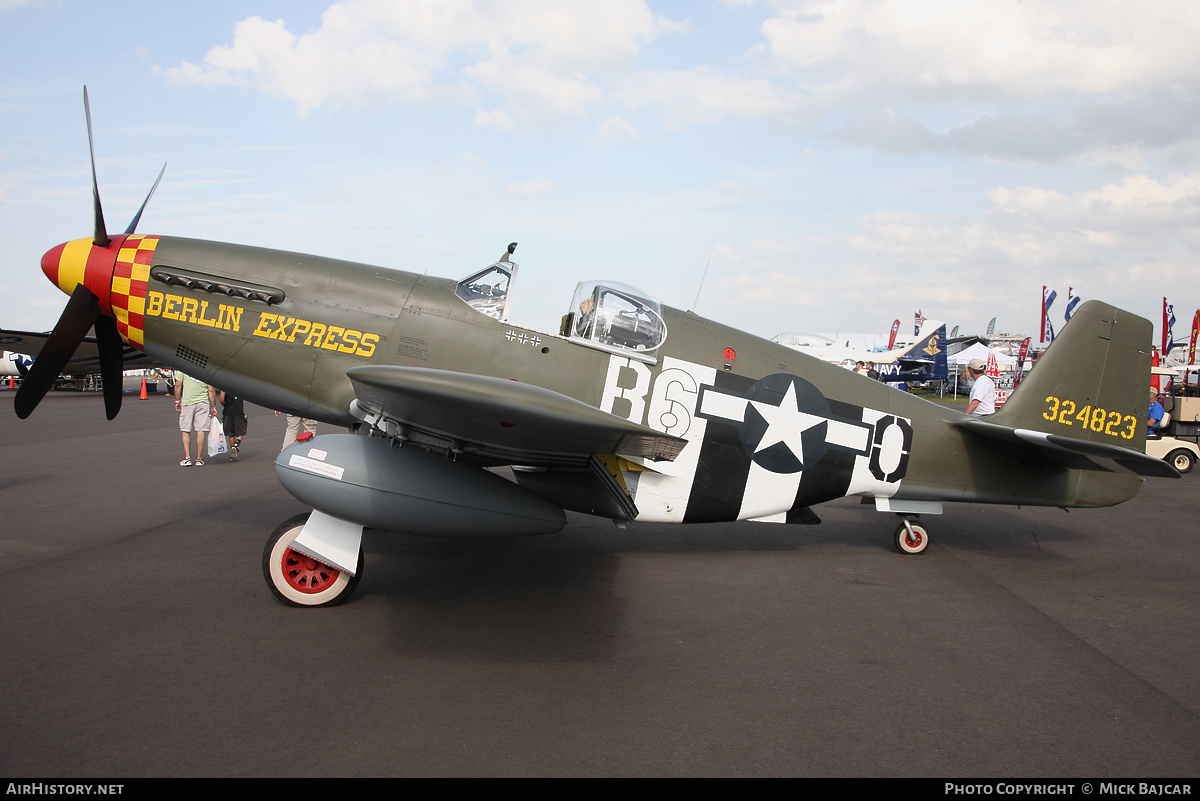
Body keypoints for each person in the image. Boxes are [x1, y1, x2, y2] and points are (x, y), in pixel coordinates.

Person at [174, 370, 217, 466]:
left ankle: (187, 457)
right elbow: (211, 390)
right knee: (200, 430)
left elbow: (178, 385)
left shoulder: (182, 367)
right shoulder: (206, 369)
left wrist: (177, 400)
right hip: (203, 402)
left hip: (187, 402)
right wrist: (213, 405)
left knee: (185, 429)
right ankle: (199, 458)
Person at [220, 391, 248, 461]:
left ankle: (233, 449)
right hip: (239, 411)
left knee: (231, 433)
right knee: (240, 432)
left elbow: (222, 400)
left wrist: (226, 404)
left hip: (228, 412)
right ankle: (236, 445)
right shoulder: (239, 387)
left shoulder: (223, 386)